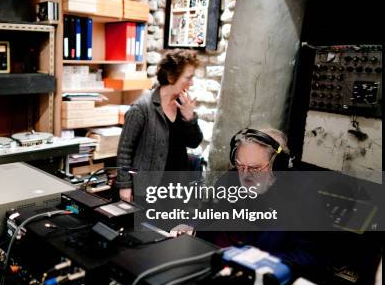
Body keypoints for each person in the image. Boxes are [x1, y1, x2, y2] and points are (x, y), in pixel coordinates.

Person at [198, 127, 328, 272]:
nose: (245, 175)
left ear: (278, 166)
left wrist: (256, 261)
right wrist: (191, 228)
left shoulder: (304, 194)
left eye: (255, 168)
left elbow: (311, 256)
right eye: (241, 165)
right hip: (216, 264)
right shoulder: (230, 178)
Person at [117, 49, 203, 202]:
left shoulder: (183, 104)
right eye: (188, 78)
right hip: (148, 190)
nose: (191, 83)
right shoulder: (141, 108)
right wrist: (125, 185)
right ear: (171, 77)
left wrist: (190, 118)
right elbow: (125, 150)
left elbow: (194, 143)